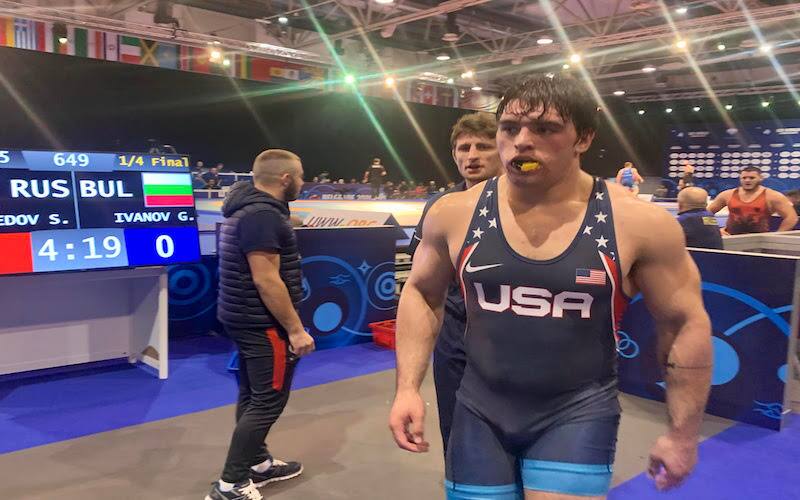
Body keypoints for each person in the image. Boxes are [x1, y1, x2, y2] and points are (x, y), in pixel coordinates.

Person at [390, 74, 713, 499]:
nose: (522, 141)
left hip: (577, 411)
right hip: (479, 408)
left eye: (544, 129)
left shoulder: (638, 223)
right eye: (510, 128)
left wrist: (683, 435)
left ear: (584, 137)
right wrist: (407, 388)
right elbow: (421, 292)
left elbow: (685, 323)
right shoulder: (454, 213)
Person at [208, 149, 316, 500]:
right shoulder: (262, 216)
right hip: (262, 323)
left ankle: (257, 464)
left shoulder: (250, 209)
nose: (303, 182)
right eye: (300, 177)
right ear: (286, 178)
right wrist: (296, 330)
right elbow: (267, 280)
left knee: (252, 394)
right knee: (267, 401)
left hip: (243, 317)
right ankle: (231, 484)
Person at [407, 111, 503, 458]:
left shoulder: (526, 205)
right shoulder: (439, 207)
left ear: (503, 149)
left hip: (511, 341)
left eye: (483, 146)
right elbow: (421, 284)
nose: (472, 155)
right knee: (456, 432)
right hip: (454, 340)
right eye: (464, 148)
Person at [707, 166, 798, 235]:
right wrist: (715, 230)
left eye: (752, 178)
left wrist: (778, 234)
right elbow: (707, 213)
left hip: (759, 240)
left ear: (760, 178)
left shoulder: (773, 196)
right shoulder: (727, 195)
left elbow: (791, 217)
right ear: (740, 179)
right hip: (730, 237)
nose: (747, 181)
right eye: (744, 178)